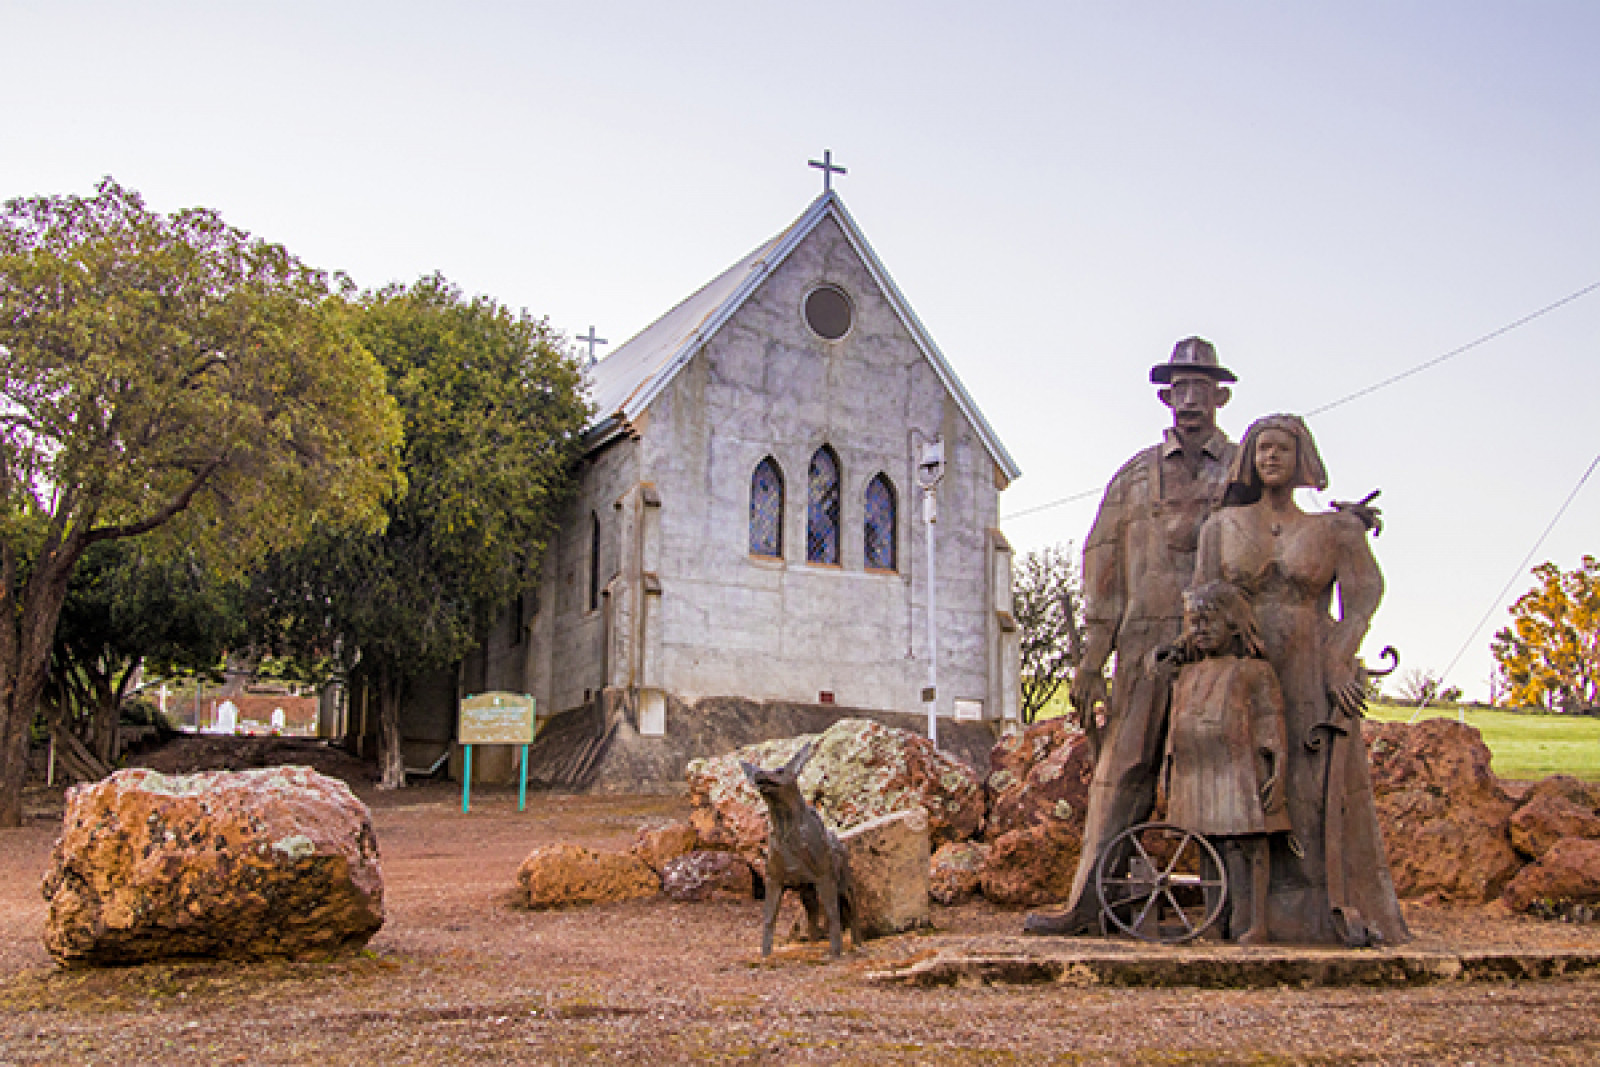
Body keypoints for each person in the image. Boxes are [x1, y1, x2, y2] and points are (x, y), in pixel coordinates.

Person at [1025, 337, 1239, 936]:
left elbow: (1275, 535)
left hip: (1219, 649)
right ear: (1167, 397)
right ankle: (1089, 905)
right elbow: (1104, 563)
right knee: (1119, 772)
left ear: (1219, 396)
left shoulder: (1244, 467)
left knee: (1221, 770)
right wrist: (1093, 659)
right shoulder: (1135, 475)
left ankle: (1242, 913)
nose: (1190, 400)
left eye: (1201, 388)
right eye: (1180, 389)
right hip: (1142, 644)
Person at [1193, 414, 1409, 945]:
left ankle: (1323, 910)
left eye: (1282, 449)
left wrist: (1341, 655)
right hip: (1242, 668)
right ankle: (1240, 915)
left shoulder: (1333, 530)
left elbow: (1363, 597)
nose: (1271, 457)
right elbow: (1199, 599)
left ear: (1302, 458)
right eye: (1262, 448)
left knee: (1311, 787)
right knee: (1246, 786)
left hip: (1311, 663)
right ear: (1250, 457)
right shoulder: (1221, 527)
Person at [1162, 580, 1291, 944]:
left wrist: (1278, 772)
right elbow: (1175, 725)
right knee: (1206, 844)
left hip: (1240, 769)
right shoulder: (1187, 673)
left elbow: (1271, 724)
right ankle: (1214, 920)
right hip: (1196, 769)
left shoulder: (1253, 671)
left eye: (1209, 621)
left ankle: (1257, 922)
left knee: (1252, 844)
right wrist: (1167, 770)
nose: (1200, 630)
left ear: (1233, 623)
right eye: (1194, 622)